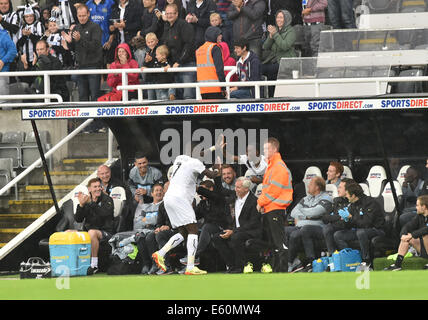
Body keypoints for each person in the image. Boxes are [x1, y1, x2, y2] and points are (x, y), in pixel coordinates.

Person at [151, 142, 225, 275]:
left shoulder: (180, 159)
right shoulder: (195, 162)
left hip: (168, 199)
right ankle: (190, 267)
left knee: (184, 232)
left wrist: (214, 148)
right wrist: (217, 168)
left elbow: (199, 153)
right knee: (193, 230)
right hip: (180, 199)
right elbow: (212, 175)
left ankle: (160, 253)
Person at [257, 137, 293, 272]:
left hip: (275, 208)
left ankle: (282, 269)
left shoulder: (278, 167)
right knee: (275, 243)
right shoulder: (273, 166)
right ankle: (278, 269)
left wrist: (260, 202)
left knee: (279, 242)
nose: (264, 151)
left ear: (274, 149)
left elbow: (273, 190)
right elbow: (268, 189)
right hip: (271, 208)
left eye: (267, 149)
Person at [212, 177, 262, 273]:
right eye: (235, 187)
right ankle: (231, 266)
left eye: (238, 187)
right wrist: (217, 176)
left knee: (236, 237)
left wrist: (233, 231)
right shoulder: (233, 197)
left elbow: (253, 223)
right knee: (216, 237)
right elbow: (221, 190)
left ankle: (240, 267)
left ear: (246, 189)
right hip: (234, 230)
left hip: (250, 231)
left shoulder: (254, 201)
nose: (235, 189)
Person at [286, 176, 333, 272]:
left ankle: (292, 262)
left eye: (311, 184)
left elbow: (314, 212)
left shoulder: (326, 198)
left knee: (298, 233)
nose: (308, 185)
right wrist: (306, 215)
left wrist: (303, 213)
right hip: (300, 226)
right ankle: (294, 261)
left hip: (316, 228)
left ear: (317, 187)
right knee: (283, 231)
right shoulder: (305, 198)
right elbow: (293, 213)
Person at [333, 182, 385, 269]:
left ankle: (366, 262)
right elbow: (350, 225)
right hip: (360, 230)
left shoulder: (370, 202)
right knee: (338, 235)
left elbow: (366, 223)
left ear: (353, 195)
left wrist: (350, 217)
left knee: (361, 233)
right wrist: (345, 220)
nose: (345, 196)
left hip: (376, 229)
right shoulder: (353, 204)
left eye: (347, 194)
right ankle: (351, 259)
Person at [73, 178, 115, 275]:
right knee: (68, 232)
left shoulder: (107, 199)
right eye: (95, 187)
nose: (98, 189)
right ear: (89, 189)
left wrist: (91, 203)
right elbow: (78, 219)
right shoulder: (87, 200)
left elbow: (104, 214)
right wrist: (81, 205)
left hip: (106, 232)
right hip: (88, 232)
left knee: (92, 232)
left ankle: (94, 265)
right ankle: (73, 265)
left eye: (99, 186)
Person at [161, 3, 196, 100]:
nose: (169, 15)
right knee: (178, 96)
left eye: (171, 13)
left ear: (177, 14)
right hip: (174, 66)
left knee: (188, 96)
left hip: (187, 64)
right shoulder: (167, 27)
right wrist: (168, 63)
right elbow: (166, 47)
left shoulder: (184, 25)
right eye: (167, 13)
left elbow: (188, 45)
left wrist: (179, 61)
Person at [385, 195, 428, 271]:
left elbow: (426, 229)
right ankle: (397, 264)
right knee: (406, 238)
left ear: (424, 207)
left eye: (417, 205)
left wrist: (412, 235)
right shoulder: (419, 216)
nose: (416, 207)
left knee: (425, 235)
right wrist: (403, 235)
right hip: (424, 250)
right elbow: (408, 226)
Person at [261, 9, 296, 97]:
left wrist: (275, 34)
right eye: (277, 17)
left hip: (285, 62)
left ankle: (271, 96)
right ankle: (266, 96)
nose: (278, 20)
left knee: (270, 70)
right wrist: (270, 36)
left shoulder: (291, 31)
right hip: (274, 61)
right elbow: (265, 47)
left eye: (281, 17)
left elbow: (285, 46)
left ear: (286, 19)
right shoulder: (275, 30)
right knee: (260, 68)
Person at [72, 4, 103, 101]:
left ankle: (96, 117)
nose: (82, 18)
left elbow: (95, 46)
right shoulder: (76, 28)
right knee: (82, 96)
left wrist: (80, 39)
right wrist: (69, 43)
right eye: (80, 16)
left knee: (95, 96)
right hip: (80, 66)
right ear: (77, 15)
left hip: (93, 66)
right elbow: (74, 48)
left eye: (84, 15)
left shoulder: (95, 27)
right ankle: (84, 117)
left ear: (88, 14)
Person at [133, 183, 164, 273]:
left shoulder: (164, 205)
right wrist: (150, 221)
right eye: (156, 191)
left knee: (149, 236)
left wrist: (145, 220)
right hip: (145, 230)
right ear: (152, 194)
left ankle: (155, 264)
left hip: (157, 230)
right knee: (140, 236)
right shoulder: (145, 207)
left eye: (161, 191)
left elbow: (158, 220)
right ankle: (146, 264)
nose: (159, 192)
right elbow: (137, 223)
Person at [321, 178, 354, 256]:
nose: (338, 190)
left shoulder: (352, 201)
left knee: (332, 231)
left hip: (350, 227)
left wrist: (336, 218)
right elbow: (325, 218)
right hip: (338, 226)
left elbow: (346, 222)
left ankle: (345, 256)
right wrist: (339, 217)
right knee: (327, 228)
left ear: (347, 189)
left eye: (340, 187)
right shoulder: (337, 201)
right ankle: (334, 257)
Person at [196, 26, 226, 100]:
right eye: (219, 34)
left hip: (203, 89)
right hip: (215, 88)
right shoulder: (215, 48)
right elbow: (219, 69)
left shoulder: (199, 49)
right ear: (213, 35)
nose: (221, 36)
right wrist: (223, 86)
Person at [141, 35, 174, 100]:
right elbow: (145, 64)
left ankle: (172, 93)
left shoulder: (160, 50)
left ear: (157, 41)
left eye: (152, 41)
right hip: (150, 79)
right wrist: (145, 63)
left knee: (160, 100)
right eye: (148, 42)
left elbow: (161, 62)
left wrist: (169, 65)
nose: (150, 44)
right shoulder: (148, 52)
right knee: (150, 100)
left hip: (159, 81)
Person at [16, 6, 44, 80]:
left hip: (37, 58)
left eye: (31, 16)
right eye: (27, 16)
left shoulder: (39, 25)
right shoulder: (22, 27)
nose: (29, 18)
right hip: (25, 60)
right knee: (26, 80)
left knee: (37, 79)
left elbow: (41, 41)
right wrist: (25, 36)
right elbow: (19, 44)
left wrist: (30, 35)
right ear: (24, 18)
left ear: (35, 16)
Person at [86, 0, 115, 66]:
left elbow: (113, 23)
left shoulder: (110, 3)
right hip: (93, 43)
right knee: (96, 67)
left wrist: (110, 40)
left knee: (108, 66)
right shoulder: (88, 4)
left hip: (107, 42)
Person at [0, 28, 17, 98]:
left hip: (2, 72)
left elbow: (13, 50)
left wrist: (3, 61)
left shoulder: (3, 35)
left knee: (4, 100)